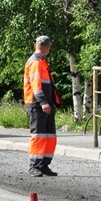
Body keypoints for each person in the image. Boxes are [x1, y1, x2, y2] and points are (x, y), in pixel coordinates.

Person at [23, 35, 60, 177]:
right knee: (38, 136)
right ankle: (34, 166)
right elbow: (36, 86)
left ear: (36, 45)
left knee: (49, 136)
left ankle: (44, 165)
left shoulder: (41, 61)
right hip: (37, 104)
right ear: (48, 47)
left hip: (45, 104)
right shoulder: (36, 62)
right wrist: (43, 102)